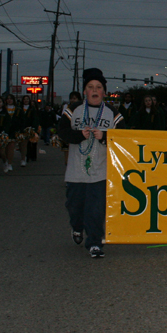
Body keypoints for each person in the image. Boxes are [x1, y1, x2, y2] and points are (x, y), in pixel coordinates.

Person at [57, 68, 126, 258]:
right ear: (85, 91)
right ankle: (77, 227)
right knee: (74, 206)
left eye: (98, 87)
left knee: (96, 209)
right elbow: (61, 131)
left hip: (101, 171)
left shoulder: (112, 112)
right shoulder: (73, 109)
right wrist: (79, 135)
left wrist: (105, 137)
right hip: (76, 172)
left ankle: (95, 242)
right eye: (90, 87)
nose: (95, 90)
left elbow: (123, 138)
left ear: (104, 91)